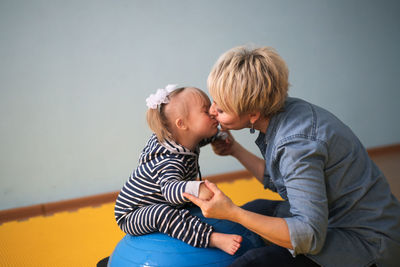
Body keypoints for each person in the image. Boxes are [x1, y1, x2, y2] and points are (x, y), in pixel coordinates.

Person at [184, 46, 400, 267]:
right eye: (213, 101)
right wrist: (235, 150)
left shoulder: (296, 145)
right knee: (255, 208)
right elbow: (280, 179)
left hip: (366, 244)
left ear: (253, 114)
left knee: (252, 261)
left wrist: (233, 213)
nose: (212, 111)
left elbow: (309, 237)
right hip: (331, 216)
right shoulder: (285, 111)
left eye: (221, 110)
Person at [114, 84, 242, 255]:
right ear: (181, 124)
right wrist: (198, 188)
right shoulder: (170, 160)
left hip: (157, 200)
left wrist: (217, 136)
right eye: (205, 111)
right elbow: (169, 190)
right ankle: (212, 238)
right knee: (163, 213)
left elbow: (199, 137)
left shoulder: (183, 140)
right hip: (133, 214)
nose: (213, 112)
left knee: (182, 206)